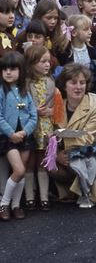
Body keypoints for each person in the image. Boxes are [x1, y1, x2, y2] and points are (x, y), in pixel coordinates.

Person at [50, 64, 96, 208]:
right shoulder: (58, 106)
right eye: (73, 83)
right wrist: (56, 154)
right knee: (49, 164)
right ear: (64, 85)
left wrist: (65, 148)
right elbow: (51, 136)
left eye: (82, 82)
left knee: (83, 161)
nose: (78, 87)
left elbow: (87, 138)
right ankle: (72, 193)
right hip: (68, 154)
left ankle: (87, 194)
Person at [0, 51, 37, 221]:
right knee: (19, 170)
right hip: (8, 138)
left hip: (24, 137)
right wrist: (11, 133)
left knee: (21, 173)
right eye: (5, 69)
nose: (8, 72)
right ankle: (4, 204)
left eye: (13, 69)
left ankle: (16, 205)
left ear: (21, 71)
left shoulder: (25, 91)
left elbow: (33, 115)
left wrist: (25, 132)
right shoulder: (1, 91)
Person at [24, 45, 58, 212]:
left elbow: (55, 106)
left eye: (48, 61)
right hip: (30, 127)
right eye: (42, 61)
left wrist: (51, 111)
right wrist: (32, 110)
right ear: (31, 64)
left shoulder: (51, 82)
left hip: (45, 126)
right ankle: (30, 197)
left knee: (43, 161)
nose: (47, 65)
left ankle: (44, 197)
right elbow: (19, 105)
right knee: (29, 161)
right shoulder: (25, 83)